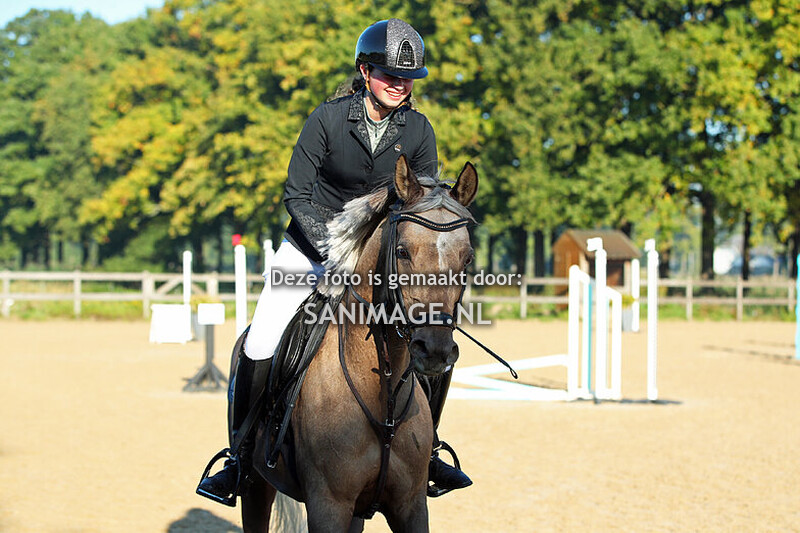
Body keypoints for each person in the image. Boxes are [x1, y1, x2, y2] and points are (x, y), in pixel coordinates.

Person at [196, 18, 471, 507]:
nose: (399, 82)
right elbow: (296, 194)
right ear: (365, 72)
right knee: (260, 340)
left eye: (407, 76)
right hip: (309, 251)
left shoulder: (420, 129)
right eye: (388, 72)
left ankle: (426, 451)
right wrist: (335, 246)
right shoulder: (327, 119)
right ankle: (238, 459)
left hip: (381, 263)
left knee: (434, 338)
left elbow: (421, 204)